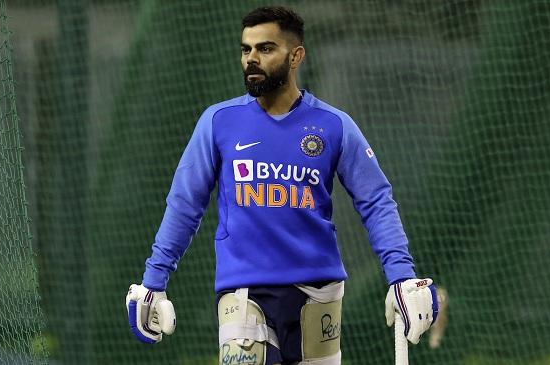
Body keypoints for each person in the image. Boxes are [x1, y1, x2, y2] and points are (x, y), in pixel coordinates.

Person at [126, 6, 438, 365]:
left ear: (296, 56)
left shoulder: (334, 125)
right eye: (246, 50)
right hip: (243, 292)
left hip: (320, 295)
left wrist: (402, 276)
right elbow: (185, 204)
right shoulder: (218, 122)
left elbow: (376, 201)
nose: (252, 59)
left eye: (265, 48)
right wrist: (153, 280)